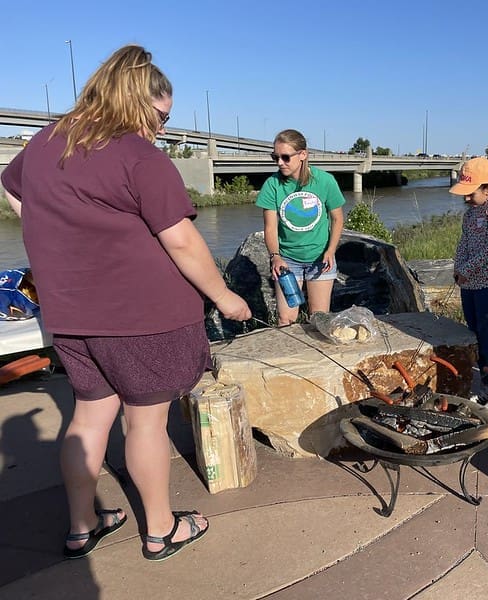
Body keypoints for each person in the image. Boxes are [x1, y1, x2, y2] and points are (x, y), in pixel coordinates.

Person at [1, 45, 252, 561]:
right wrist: (226, 299)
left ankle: (82, 525)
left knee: (89, 417)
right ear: (138, 102)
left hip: (71, 316)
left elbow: (15, 196)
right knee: (145, 423)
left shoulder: (47, 143)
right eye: (162, 115)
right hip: (144, 318)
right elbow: (182, 242)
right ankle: (160, 529)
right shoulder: (140, 156)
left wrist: (66, 234)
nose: (163, 127)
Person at [256, 129, 345, 325]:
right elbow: (270, 228)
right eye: (275, 157)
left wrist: (330, 251)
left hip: (320, 259)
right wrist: (275, 257)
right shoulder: (272, 185)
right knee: (285, 318)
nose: (280, 163)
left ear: (303, 155)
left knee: (319, 318)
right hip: (288, 261)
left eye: (286, 157)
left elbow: (337, 219)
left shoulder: (325, 181)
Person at [451, 157, 488, 416]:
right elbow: (463, 242)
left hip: (487, 283)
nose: (466, 198)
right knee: (475, 334)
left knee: (487, 336)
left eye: (471, 193)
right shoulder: (471, 212)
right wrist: (458, 266)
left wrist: (467, 269)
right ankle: (486, 388)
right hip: (468, 283)